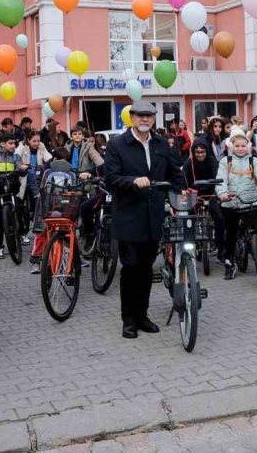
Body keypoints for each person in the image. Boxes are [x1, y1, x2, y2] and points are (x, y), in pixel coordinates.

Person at [103, 101, 185, 339]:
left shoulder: (161, 144)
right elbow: (110, 178)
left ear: (154, 118)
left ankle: (142, 315)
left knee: (147, 268)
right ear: (132, 117)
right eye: (140, 115)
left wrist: (177, 199)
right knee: (131, 268)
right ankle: (129, 319)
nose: (145, 120)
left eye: (149, 115)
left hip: (154, 215)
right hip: (128, 215)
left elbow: (175, 173)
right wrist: (132, 181)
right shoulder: (118, 144)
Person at [216, 128, 257, 280]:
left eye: (243, 146)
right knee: (230, 233)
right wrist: (222, 193)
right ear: (231, 147)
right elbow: (221, 179)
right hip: (232, 202)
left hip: (252, 201)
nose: (240, 149)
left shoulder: (254, 161)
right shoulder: (225, 161)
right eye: (237, 146)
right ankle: (229, 263)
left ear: (248, 147)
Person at [0, 132, 28, 259]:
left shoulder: (16, 156)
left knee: (18, 211)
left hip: (11, 186)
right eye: (11, 143)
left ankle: (20, 233)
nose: (14, 146)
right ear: (2, 144)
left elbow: (20, 169)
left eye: (15, 143)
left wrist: (23, 169)